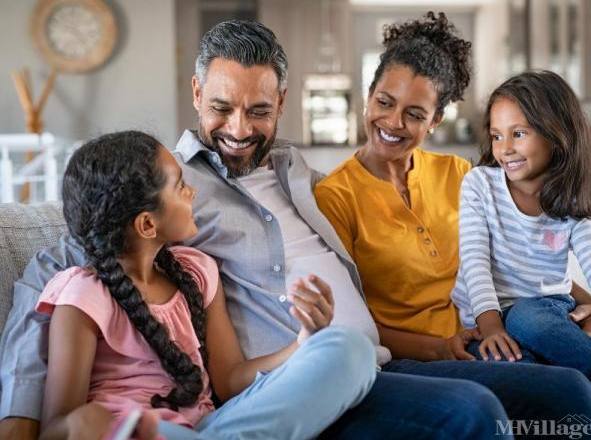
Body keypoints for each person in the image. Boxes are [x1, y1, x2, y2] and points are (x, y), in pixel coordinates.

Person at [0, 19, 591, 440]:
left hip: (374, 358)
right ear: (196, 92)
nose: (238, 129)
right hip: (292, 379)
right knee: (474, 412)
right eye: (221, 107)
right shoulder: (162, 188)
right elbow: (58, 268)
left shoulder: (296, 170)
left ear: (281, 102)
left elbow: (494, 235)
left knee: (565, 396)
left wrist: (561, 289)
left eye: (259, 110)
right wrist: (21, 425)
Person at [314, 8, 591, 421]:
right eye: (384, 102)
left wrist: (586, 299)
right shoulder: (335, 196)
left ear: (436, 120)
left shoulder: (460, 174)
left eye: (415, 113)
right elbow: (351, 324)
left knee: (567, 369)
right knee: (565, 389)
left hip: (491, 329)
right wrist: (438, 347)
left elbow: (516, 251)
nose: (393, 122)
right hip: (415, 357)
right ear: (368, 94)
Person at [36, 130, 375, 439]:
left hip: (210, 429)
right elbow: (55, 426)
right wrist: (81, 423)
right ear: (147, 224)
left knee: (349, 348)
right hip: (134, 433)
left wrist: (303, 343)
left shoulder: (197, 272)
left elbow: (230, 382)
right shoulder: (83, 295)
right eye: (180, 186)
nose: (192, 192)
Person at [450, 70, 591, 395]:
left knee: (527, 316)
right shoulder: (480, 185)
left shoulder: (569, 200)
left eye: (518, 133)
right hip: (486, 320)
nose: (504, 149)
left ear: (556, 135)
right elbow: (474, 261)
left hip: (544, 311)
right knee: (533, 382)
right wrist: (490, 328)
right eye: (496, 136)